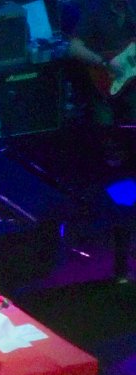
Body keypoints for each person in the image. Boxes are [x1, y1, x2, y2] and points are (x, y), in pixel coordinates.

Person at [68, 0, 136, 280]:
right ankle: (103, 183)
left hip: (131, 84)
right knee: (102, 125)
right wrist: (104, 63)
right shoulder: (94, 11)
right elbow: (73, 47)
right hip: (104, 81)